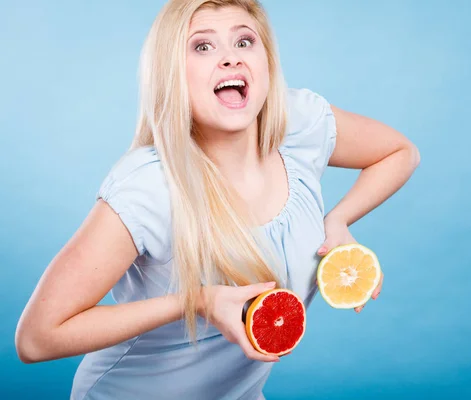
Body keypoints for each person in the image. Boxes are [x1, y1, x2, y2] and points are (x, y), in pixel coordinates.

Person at [15, 0, 420, 399]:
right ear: (172, 73)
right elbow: (36, 339)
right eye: (203, 46)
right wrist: (197, 302)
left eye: (245, 42)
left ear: (267, 61)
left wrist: (338, 221)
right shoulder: (149, 186)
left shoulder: (297, 128)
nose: (230, 59)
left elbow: (401, 152)